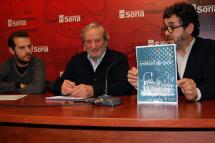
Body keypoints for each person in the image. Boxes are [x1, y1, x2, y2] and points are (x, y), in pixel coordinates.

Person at [128, 2, 215, 101]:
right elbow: (160, 89)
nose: (166, 33)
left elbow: (213, 84)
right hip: (169, 114)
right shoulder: (161, 53)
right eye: (165, 28)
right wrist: (141, 84)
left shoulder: (210, 48)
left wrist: (197, 92)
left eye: (172, 27)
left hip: (203, 113)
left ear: (189, 28)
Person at [53, 22, 132, 98]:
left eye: (97, 41)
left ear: (105, 42)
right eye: (88, 42)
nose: (93, 46)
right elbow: (56, 84)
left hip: (110, 110)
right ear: (83, 44)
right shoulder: (76, 60)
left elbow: (125, 87)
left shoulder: (118, 58)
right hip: (80, 110)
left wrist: (94, 91)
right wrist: (62, 88)